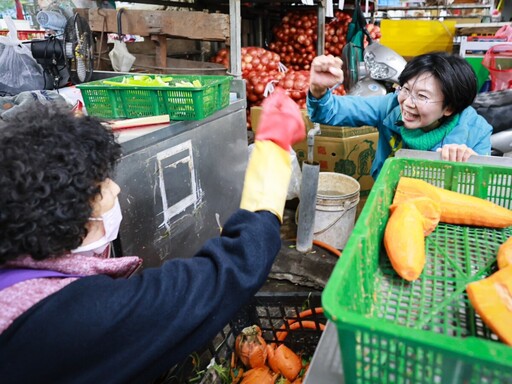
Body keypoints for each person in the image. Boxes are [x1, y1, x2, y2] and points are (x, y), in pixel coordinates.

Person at [0, 88, 305, 383]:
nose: (116, 189)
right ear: (65, 213)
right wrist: (272, 157)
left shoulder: (17, 275)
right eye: (103, 185)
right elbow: (225, 274)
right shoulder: (69, 320)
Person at [307, 51, 493, 179]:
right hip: (390, 198)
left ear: (449, 108)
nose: (407, 103)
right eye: (406, 89)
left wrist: (471, 165)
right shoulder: (391, 106)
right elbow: (330, 111)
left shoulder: (476, 133)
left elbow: (479, 193)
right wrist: (318, 90)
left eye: (422, 96)